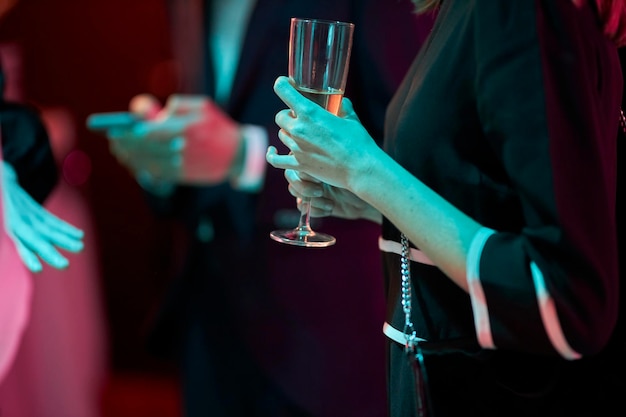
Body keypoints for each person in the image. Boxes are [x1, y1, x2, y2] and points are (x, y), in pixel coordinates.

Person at [266, 0, 626, 416]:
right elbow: (496, 202)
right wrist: (372, 200)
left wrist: (364, 167)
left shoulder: (518, 10)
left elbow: (566, 295)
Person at [93, 1, 433, 416]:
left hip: (319, 333)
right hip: (208, 321)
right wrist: (164, 161)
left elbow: (405, 137)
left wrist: (248, 156)